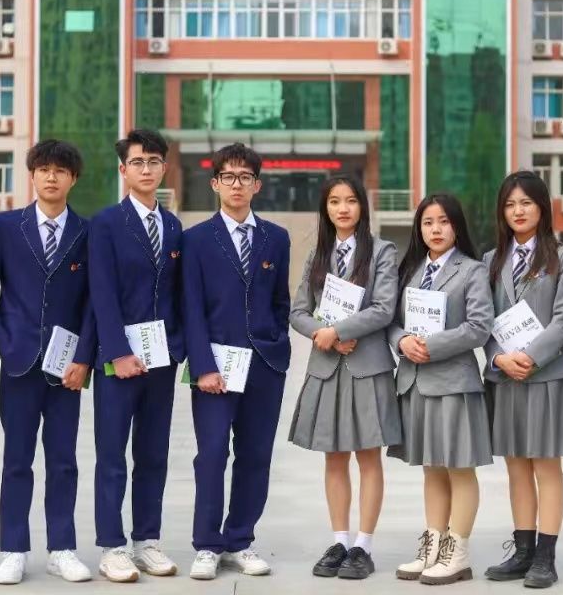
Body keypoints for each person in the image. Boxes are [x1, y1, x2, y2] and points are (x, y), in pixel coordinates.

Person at [0, 140, 96, 586]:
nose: (51, 177)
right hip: (19, 362)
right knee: (17, 459)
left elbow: (94, 302)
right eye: (43, 169)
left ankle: (62, 549)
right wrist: (1, 337)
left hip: (67, 370)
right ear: (31, 176)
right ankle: (14, 549)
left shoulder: (87, 232)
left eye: (60, 170)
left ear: (73, 179)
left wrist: (84, 358)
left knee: (64, 460)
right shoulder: (7, 227)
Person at [181, 143, 291, 581]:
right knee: (211, 455)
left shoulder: (276, 238)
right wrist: (203, 365)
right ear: (215, 184)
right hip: (215, 366)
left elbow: (280, 301)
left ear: (257, 185)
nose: (237, 184)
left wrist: (276, 342)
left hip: (264, 364)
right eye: (228, 177)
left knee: (255, 455)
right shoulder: (195, 240)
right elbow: (190, 308)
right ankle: (207, 544)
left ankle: (240, 540)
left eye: (245, 177)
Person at [288, 175, 401, 580]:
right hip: (327, 367)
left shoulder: (382, 251)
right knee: (333, 456)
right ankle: (339, 540)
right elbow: (298, 311)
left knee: (368, 456)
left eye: (351, 200)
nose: (343, 208)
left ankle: (362, 546)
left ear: (362, 207)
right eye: (334, 201)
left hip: (367, 367)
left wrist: (339, 330)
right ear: (326, 209)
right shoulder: (317, 254)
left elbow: (384, 308)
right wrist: (325, 336)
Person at [88, 129, 183, 582]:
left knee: (153, 453)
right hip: (118, 362)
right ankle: (112, 546)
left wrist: (178, 347)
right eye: (138, 162)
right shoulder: (106, 223)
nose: (147, 169)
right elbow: (101, 292)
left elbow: (177, 293)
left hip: (161, 360)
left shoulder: (174, 226)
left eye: (154, 162)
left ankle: (147, 540)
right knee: (111, 455)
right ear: (123, 170)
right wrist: (118, 352)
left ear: (164, 168)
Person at [482, 171, 563, 589]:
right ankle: (523, 551)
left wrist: (531, 356)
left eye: (526, 203)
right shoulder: (491, 260)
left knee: (546, 464)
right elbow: (482, 320)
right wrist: (498, 357)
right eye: (510, 205)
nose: (518, 211)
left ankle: (546, 556)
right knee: (516, 465)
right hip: (506, 377)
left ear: (542, 207)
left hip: (547, 376)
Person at [388, 193, 494, 586]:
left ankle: (457, 552)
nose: (436, 229)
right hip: (415, 381)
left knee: (458, 467)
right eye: (428, 222)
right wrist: (402, 341)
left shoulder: (473, 271)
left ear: (457, 227)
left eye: (444, 222)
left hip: (453, 382)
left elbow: (479, 327)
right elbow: (391, 320)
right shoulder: (410, 271)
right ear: (419, 228)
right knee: (432, 467)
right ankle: (433, 546)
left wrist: (430, 346)